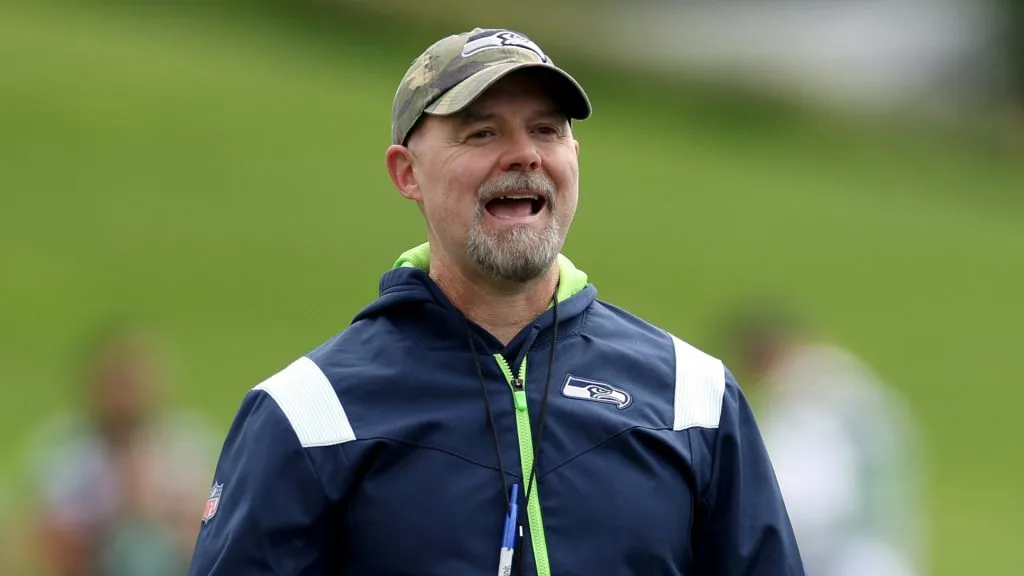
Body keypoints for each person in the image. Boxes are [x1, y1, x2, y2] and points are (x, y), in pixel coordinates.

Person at [189, 28, 804, 575]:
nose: (525, 155)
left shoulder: (692, 397)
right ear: (407, 173)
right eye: (482, 132)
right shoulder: (310, 413)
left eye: (547, 130)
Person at [726, 302, 928, 576]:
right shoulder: (845, 381)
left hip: (849, 559)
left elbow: (812, 503)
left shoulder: (805, 402)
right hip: (879, 551)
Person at [20, 321, 217, 576]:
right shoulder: (69, 453)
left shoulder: (187, 446)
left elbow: (213, 533)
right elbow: (48, 541)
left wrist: (157, 515)